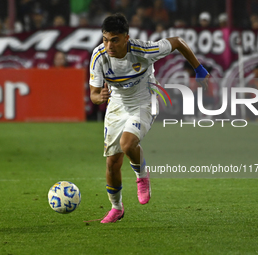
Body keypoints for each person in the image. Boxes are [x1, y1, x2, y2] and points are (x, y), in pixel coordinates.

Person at [89, 13, 209, 223]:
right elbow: (93, 93)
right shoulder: (99, 56)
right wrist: (100, 97)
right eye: (105, 39)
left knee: (127, 144)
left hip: (145, 101)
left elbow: (178, 42)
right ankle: (117, 208)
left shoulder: (144, 50)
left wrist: (198, 69)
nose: (109, 45)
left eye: (115, 40)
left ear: (126, 38)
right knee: (112, 163)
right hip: (117, 105)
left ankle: (142, 176)